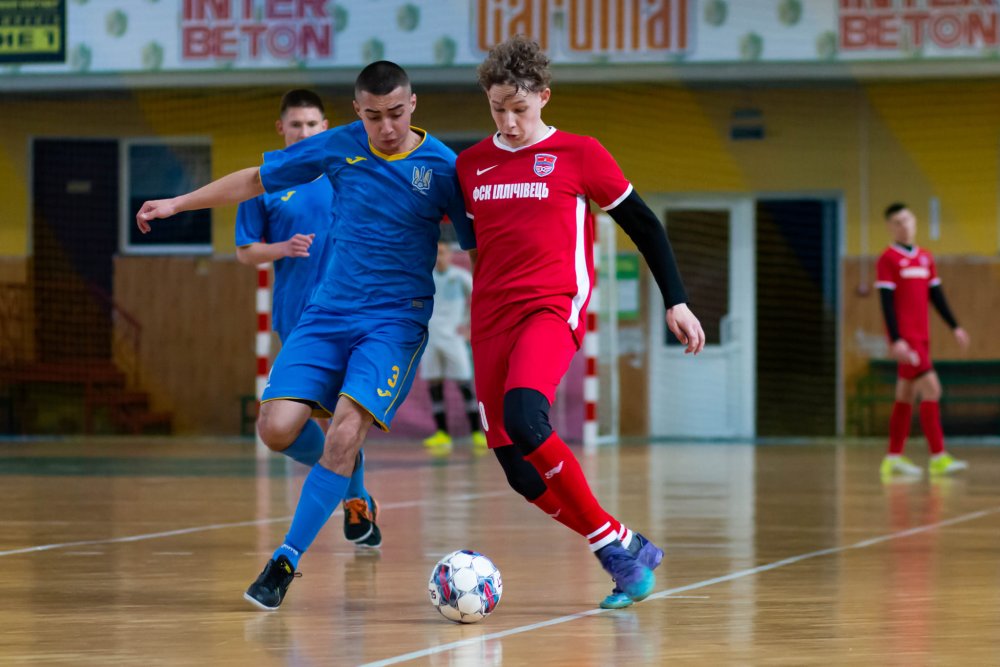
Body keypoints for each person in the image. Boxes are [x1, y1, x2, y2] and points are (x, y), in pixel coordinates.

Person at [136, 61, 468, 611]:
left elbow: (481, 243)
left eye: (395, 113)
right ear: (357, 112)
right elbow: (255, 179)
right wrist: (176, 203)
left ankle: (284, 561)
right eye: (373, 116)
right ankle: (352, 485)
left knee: (344, 430)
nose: (386, 127)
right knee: (275, 427)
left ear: (413, 105)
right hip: (327, 313)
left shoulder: (443, 167)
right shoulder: (338, 145)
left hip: (392, 323)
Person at [452, 36, 706, 610]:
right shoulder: (469, 166)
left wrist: (677, 300)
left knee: (526, 416)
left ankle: (612, 553)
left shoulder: (580, 153)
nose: (509, 121)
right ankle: (624, 541)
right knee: (519, 471)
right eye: (498, 108)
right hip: (489, 319)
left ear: (544, 97)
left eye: (520, 108)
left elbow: (644, 224)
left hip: (551, 308)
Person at [234, 88, 379, 550]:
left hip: (352, 317)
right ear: (281, 128)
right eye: (296, 124)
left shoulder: (343, 169)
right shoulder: (266, 180)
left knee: (342, 417)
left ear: (325, 127)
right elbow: (245, 251)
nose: (304, 132)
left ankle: (353, 501)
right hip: (295, 318)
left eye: (312, 124)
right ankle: (351, 477)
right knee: (284, 426)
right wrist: (282, 247)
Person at [876, 203, 970, 479]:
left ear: (914, 221)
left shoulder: (925, 258)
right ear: (890, 227)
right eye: (897, 222)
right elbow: (886, 303)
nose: (903, 225)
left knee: (905, 396)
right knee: (932, 390)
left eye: (906, 220)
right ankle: (938, 456)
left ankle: (893, 458)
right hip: (907, 340)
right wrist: (896, 340)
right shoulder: (887, 259)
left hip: (923, 337)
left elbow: (936, 296)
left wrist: (955, 326)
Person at [420, 238, 487, 455]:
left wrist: (470, 325)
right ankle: (442, 433)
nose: (439, 257)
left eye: (443, 252)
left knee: (464, 383)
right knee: (434, 384)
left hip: (453, 339)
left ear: (450, 255)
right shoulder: (426, 277)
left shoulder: (460, 277)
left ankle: (477, 432)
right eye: (436, 253)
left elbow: (479, 295)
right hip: (431, 339)